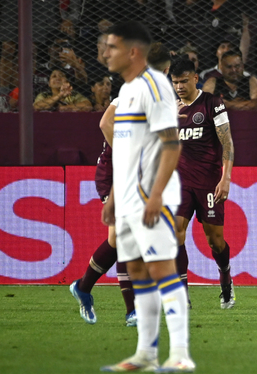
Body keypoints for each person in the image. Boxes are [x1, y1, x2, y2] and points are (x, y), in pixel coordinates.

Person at [99, 21, 194, 373]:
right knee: (137, 271)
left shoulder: (155, 88)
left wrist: (155, 195)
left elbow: (171, 143)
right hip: (126, 197)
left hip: (150, 197)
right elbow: (127, 149)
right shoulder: (126, 91)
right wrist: (113, 194)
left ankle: (180, 354)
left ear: (133, 52)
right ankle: (146, 353)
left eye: (112, 47)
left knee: (162, 269)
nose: (105, 53)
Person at [70, 41, 174, 328]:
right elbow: (105, 123)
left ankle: (85, 288)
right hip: (116, 172)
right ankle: (130, 310)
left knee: (120, 240)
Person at [170, 58, 236, 309]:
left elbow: (227, 142)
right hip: (179, 183)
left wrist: (225, 177)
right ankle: (181, 295)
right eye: (175, 82)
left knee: (215, 240)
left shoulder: (212, 104)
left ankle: (226, 277)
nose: (179, 87)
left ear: (195, 78)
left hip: (208, 183)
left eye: (184, 81)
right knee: (175, 233)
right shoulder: (169, 109)